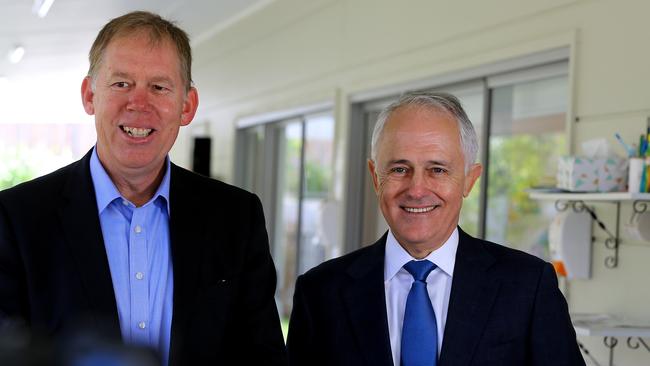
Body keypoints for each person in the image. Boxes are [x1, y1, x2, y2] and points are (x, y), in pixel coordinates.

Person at [0, 11, 287, 366]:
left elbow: (263, 357)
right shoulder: (17, 218)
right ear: (90, 96)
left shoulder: (236, 218)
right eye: (121, 83)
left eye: (159, 87)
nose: (139, 104)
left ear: (187, 106)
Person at [286, 91, 584, 366]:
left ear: (470, 179)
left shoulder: (528, 286)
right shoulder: (320, 292)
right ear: (376, 178)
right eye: (400, 169)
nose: (417, 189)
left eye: (437, 170)